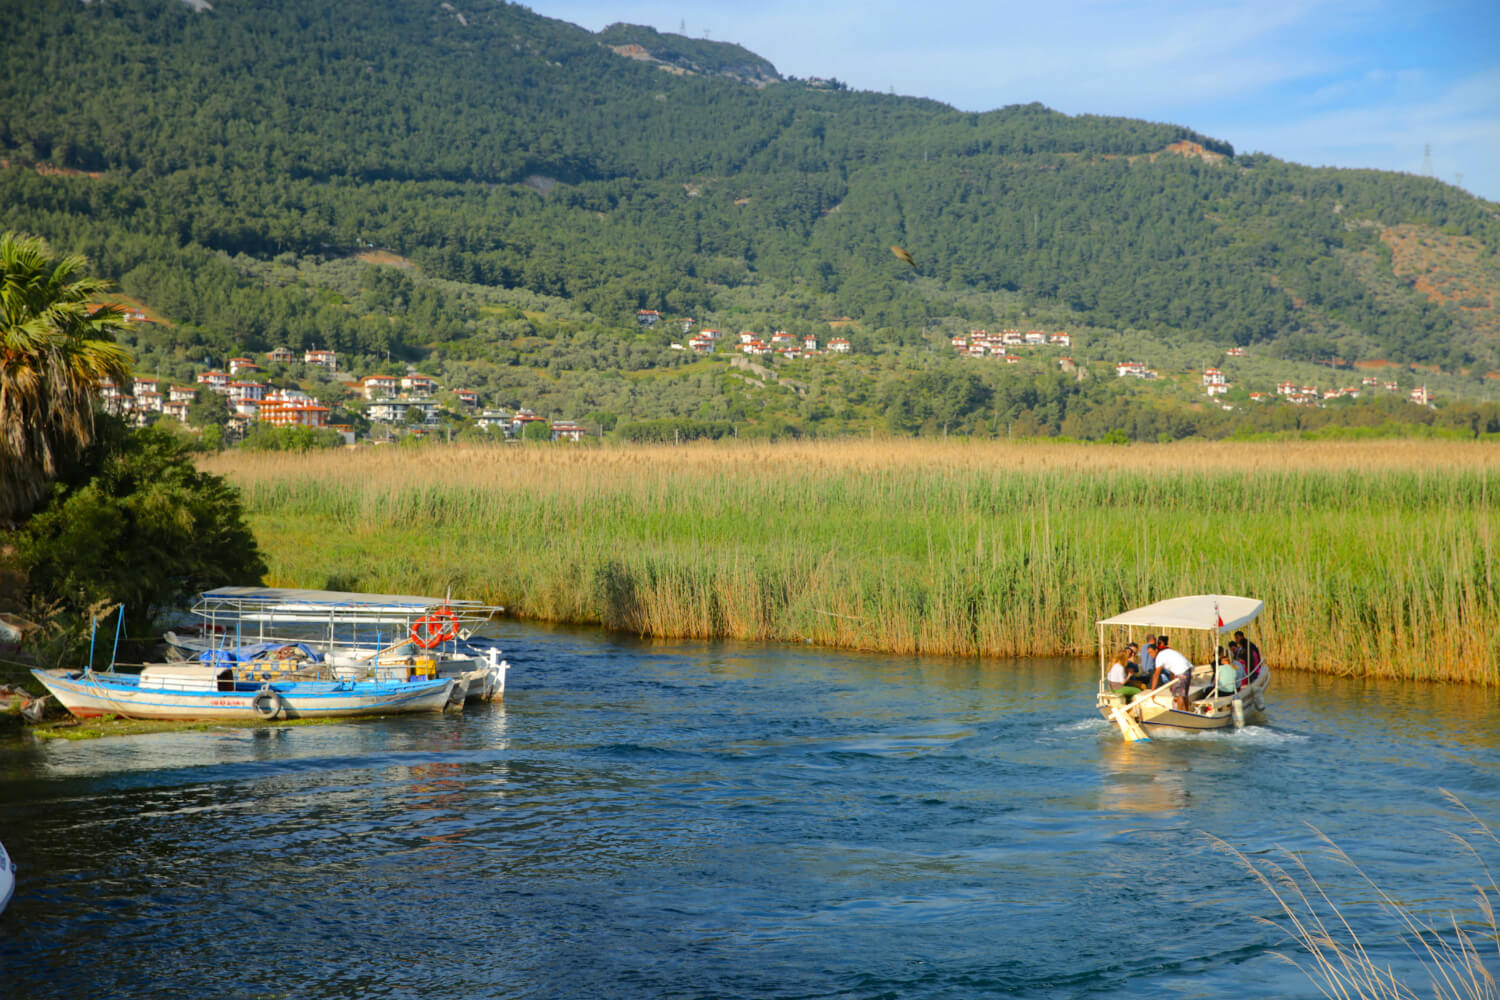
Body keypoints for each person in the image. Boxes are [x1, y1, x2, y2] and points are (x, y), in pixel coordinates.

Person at [1152, 635, 1194, 710]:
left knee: (1179, 694)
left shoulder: (1159, 657)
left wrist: (1153, 691)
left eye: (1151, 653)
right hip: (1188, 670)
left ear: (1156, 650)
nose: (1150, 655)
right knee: (1184, 694)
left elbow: (1156, 675)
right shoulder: (1169, 651)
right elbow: (1172, 670)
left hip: (1181, 671)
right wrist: (1172, 683)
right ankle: (1187, 711)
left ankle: (1180, 714)